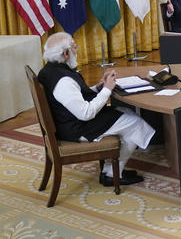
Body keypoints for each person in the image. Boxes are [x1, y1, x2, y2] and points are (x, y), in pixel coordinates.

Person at [37, 32, 155, 187]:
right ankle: (112, 174)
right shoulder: (63, 81)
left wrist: (98, 87)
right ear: (66, 53)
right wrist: (106, 90)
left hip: (68, 122)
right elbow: (85, 113)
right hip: (76, 128)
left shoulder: (50, 70)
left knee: (126, 113)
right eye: (74, 47)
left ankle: (110, 170)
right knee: (135, 123)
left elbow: (75, 97)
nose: (76, 50)